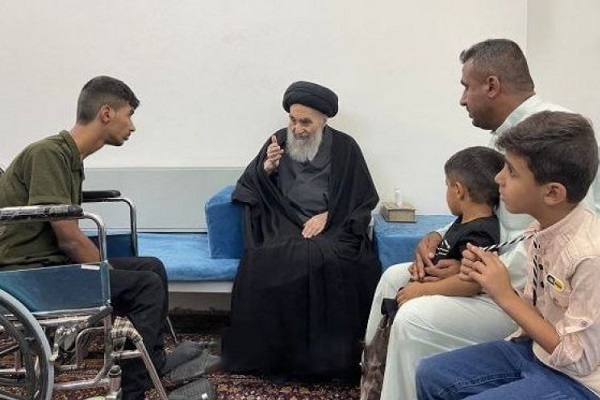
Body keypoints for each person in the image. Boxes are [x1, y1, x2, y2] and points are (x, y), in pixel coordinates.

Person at [363, 38, 600, 400]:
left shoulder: (555, 140)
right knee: (394, 277)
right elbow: (489, 209)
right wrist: (440, 238)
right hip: (501, 280)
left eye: (465, 87)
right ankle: (373, 379)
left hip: (524, 299)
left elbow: (563, 236)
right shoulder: (510, 137)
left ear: (491, 85)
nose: (462, 100)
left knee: (413, 318)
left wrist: (470, 273)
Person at [0, 76, 205, 400]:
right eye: (129, 115)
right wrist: (104, 273)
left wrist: (105, 270)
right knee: (144, 286)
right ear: (107, 113)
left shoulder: (68, 157)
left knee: (151, 267)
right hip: (29, 277)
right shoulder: (48, 154)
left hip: (49, 266)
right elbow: (68, 238)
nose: (132, 126)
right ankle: (132, 391)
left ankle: (153, 362)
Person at [416, 111, 600, 400]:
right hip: (537, 351)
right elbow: (538, 309)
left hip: (581, 381)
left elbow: (580, 360)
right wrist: (488, 277)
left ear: (552, 193)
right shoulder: (538, 230)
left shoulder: (588, 256)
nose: (498, 178)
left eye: (512, 171)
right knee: (431, 373)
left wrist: (504, 294)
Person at [223, 80, 382, 382]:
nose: (297, 129)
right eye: (293, 120)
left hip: (333, 224)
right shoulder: (278, 141)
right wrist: (266, 169)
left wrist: (329, 216)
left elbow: (362, 198)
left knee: (331, 258)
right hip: (284, 221)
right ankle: (277, 358)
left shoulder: (346, 147)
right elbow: (247, 187)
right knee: (270, 258)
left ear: (324, 119)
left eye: (305, 122)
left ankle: (326, 361)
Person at [361, 145, 504, 399]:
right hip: (430, 287)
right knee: (392, 278)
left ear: (458, 190)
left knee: (408, 315)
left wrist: (423, 290)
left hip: (453, 298)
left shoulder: (482, 232)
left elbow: (471, 282)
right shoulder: (463, 221)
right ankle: (372, 363)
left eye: (447, 185)